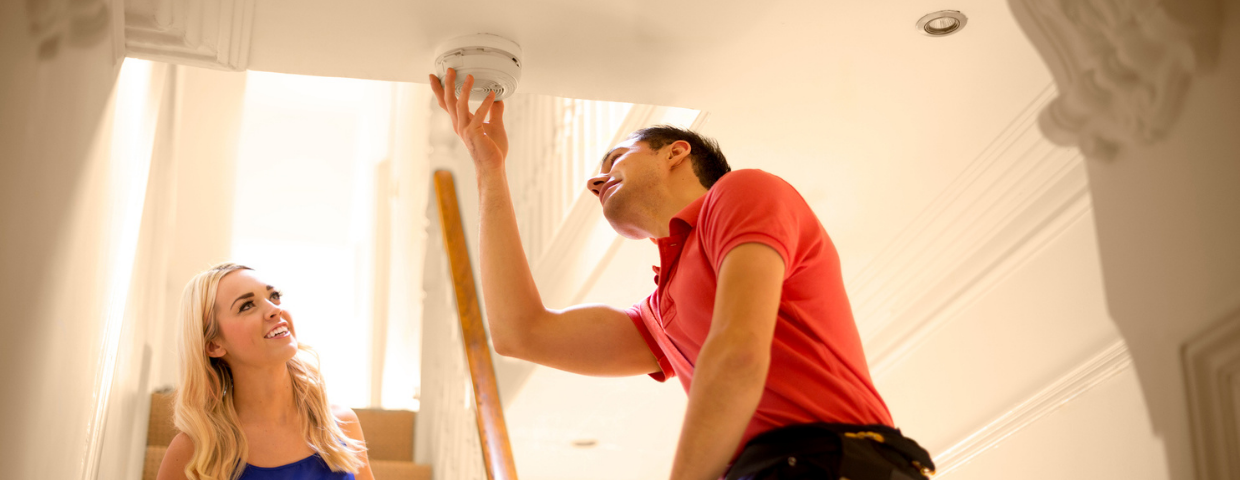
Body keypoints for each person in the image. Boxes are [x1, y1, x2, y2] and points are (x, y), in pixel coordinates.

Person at [428, 69, 934, 480]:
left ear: (676, 152)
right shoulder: (661, 313)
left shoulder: (739, 194)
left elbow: (737, 352)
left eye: (617, 157)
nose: (594, 178)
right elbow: (521, 333)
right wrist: (489, 172)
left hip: (831, 460)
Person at [156, 263, 375, 480]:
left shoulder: (342, 424)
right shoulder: (193, 452)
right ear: (214, 345)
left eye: (274, 296)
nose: (275, 309)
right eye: (247, 306)